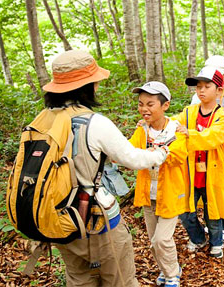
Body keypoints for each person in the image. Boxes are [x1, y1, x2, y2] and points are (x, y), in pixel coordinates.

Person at [43, 50, 169, 287]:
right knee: (118, 277)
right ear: (86, 86)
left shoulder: (42, 121)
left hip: (58, 218)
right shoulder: (94, 122)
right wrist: (161, 152)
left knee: (79, 278)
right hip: (96, 218)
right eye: (95, 82)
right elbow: (132, 159)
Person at [129, 81, 188, 287]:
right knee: (154, 240)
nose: (144, 109)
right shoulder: (142, 130)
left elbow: (177, 156)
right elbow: (130, 151)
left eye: (150, 104)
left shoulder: (176, 130)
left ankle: (173, 275)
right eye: (140, 104)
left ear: (165, 105)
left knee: (161, 239)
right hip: (148, 194)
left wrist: (155, 152)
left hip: (170, 194)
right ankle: (166, 270)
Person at [176, 66, 224, 258]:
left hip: (212, 173)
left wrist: (188, 133)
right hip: (190, 172)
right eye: (198, 86)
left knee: (212, 212)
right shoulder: (189, 111)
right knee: (185, 211)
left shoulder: (222, 115)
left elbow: (212, 137)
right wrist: (154, 122)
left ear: (219, 90)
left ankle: (217, 242)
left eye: (207, 86)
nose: (201, 90)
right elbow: (174, 123)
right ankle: (198, 238)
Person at [191, 55, 224, 241]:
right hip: (203, 154)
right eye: (201, 83)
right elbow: (190, 121)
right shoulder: (196, 98)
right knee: (206, 189)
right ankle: (211, 224)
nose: (204, 88)